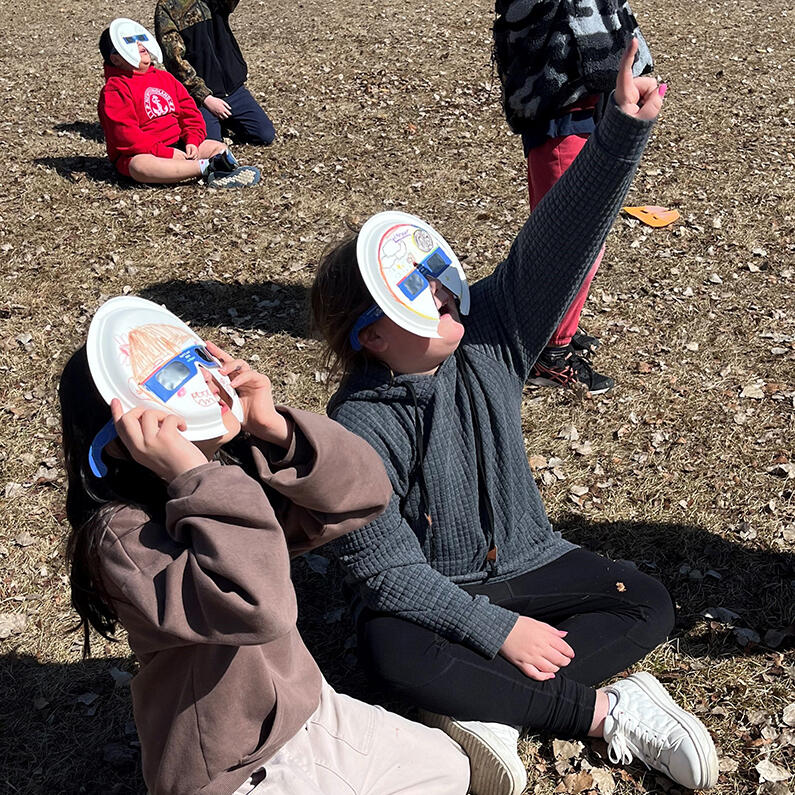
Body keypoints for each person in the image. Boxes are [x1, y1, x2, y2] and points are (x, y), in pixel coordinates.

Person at [310, 42, 718, 793]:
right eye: (415, 297)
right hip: (440, 592)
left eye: (438, 281)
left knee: (648, 601)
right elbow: (389, 572)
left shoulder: (495, 333)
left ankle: (483, 704)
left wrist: (620, 130)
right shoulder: (356, 424)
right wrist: (497, 630)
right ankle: (604, 710)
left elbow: (556, 244)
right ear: (369, 334)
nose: (443, 294)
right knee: (389, 651)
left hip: (534, 563)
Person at [59, 298, 489, 795]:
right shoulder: (122, 540)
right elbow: (259, 607)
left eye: (196, 361)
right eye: (172, 379)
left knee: (448, 769)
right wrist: (193, 474)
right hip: (232, 767)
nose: (203, 381)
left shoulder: (226, 480)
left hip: (310, 712)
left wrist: (274, 429)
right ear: (121, 440)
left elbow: (367, 492)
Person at [493, 0, 655, 393]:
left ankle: (552, 324)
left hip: (578, 109)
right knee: (572, 242)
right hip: (563, 114)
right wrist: (628, 71)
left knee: (562, 234)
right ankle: (551, 353)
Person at [97, 19, 260, 188]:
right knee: (141, 167)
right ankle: (206, 167)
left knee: (217, 147)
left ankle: (212, 169)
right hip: (145, 154)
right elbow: (126, 136)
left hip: (180, 145)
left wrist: (192, 140)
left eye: (139, 39)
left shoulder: (165, 78)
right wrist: (165, 153)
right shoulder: (115, 89)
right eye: (129, 42)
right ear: (115, 59)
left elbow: (190, 113)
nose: (139, 44)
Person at [155, 0, 276, 146]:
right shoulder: (167, 7)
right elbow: (174, 60)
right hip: (200, 97)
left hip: (233, 89)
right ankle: (208, 122)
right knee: (210, 146)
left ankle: (224, 121)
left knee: (265, 135)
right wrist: (204, 96)